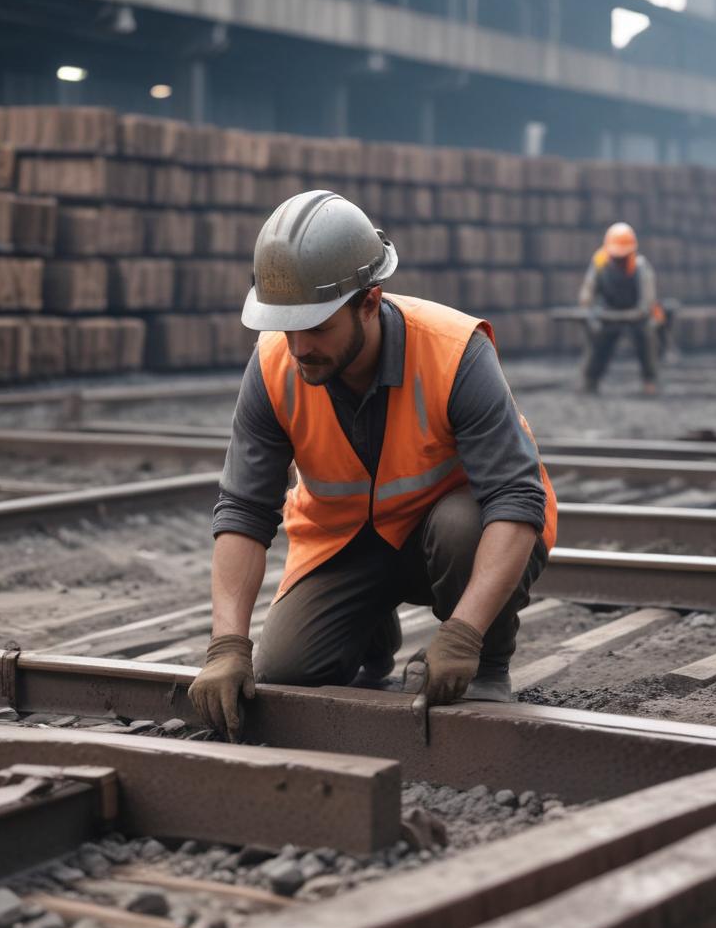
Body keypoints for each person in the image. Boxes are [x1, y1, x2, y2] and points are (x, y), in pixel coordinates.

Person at [187, 190, 558, 741]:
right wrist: (226, 645)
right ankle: (371, 629)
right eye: (287, 326)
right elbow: (243, 510)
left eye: (317, 326)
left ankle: (485, 665)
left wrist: (464, 634)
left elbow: (516, 498)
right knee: (286, 670)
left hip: (451, 538)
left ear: (369, 302)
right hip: (347, 543)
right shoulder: (272, 365)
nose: (298, 347)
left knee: (465, 524)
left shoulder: (454, 351)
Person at [578, 222, 659, 395]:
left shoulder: (640, 267)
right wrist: (591, 311)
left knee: (646, 336)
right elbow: (588, 292)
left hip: (636, 315)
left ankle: (649, 380)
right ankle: (590, 380)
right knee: (599, 342)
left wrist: (638, 313)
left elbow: (647, 300)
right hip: (609, 313)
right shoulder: (600, 263)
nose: (619, 260)